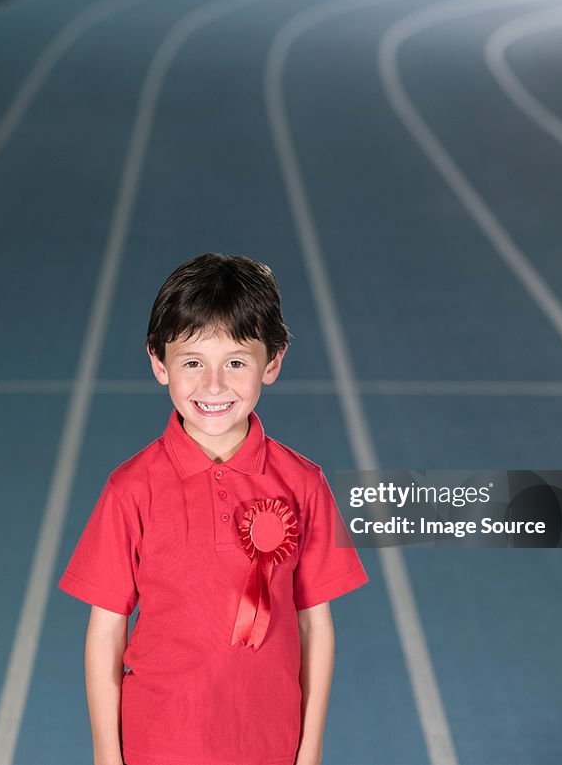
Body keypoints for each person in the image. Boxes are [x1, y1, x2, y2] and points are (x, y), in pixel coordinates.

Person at [59, 253, 368, 765]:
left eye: (236, 362)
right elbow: (106, 631)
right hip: (158, 744)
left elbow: (317, 626)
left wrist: (309, 748)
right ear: (160, 363)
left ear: (273, 361)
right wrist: (106, 756)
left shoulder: (304, 484)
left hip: (269, 744)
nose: (214, 385)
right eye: (193, 363)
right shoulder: (130, 489)